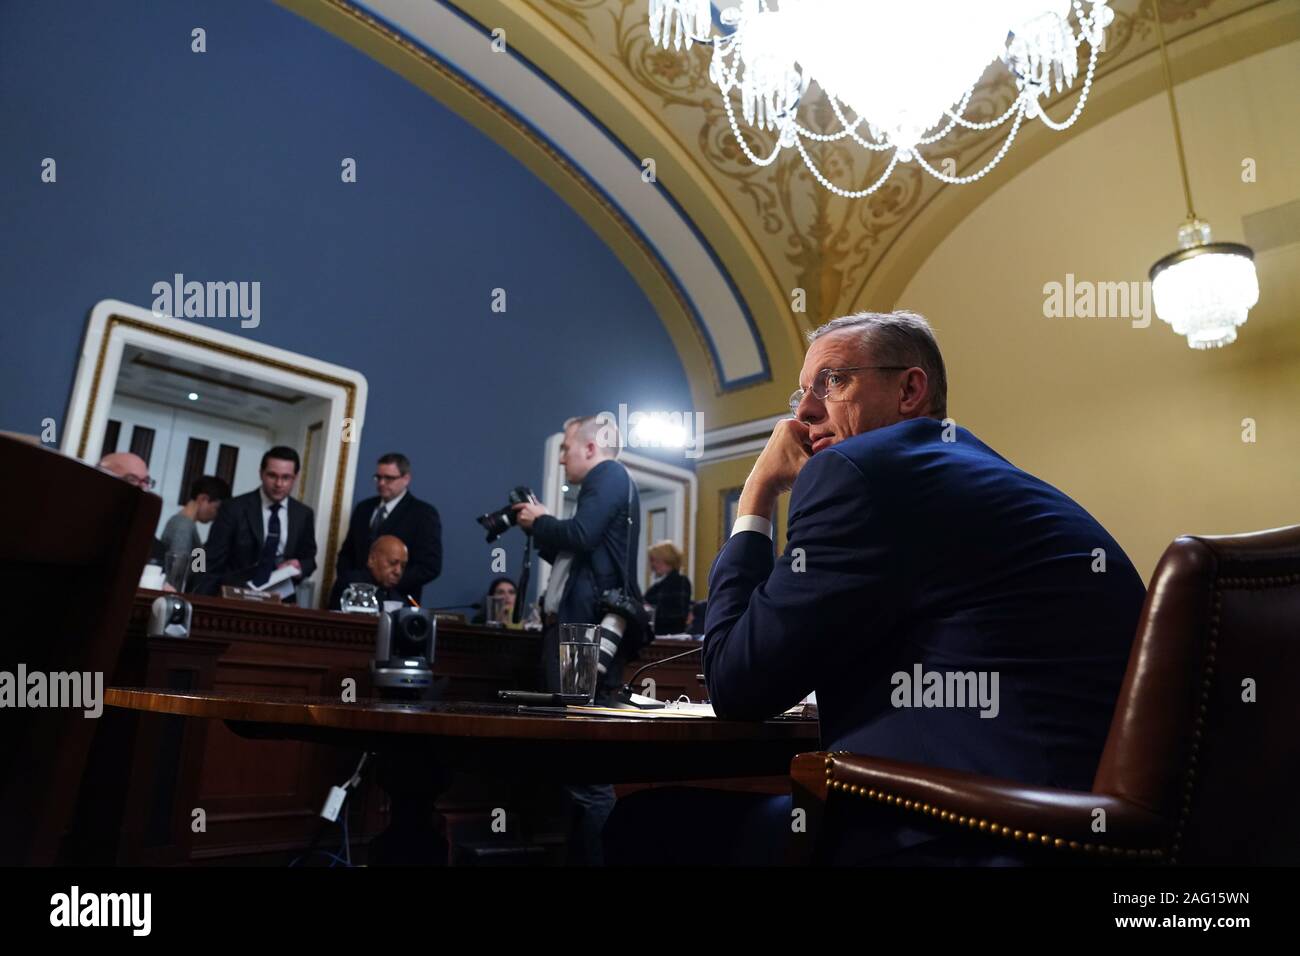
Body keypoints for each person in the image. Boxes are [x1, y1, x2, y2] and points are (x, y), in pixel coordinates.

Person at [606, 310, 1146, 865]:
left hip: (968, 835)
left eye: (834, 381)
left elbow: (737, 685)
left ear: (911, 389)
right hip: (1085, 832)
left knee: (643, 821)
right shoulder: (977, 473)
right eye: (801, 394)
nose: (806, 411)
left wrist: (756, 496)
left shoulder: (857, 472)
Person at [512, 414, 644, 866]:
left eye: (567, 447)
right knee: (575, 754)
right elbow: (581, 551)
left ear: (591, 449)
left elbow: (582, 534)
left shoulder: (608, 474)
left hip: (584, 633)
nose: (564, 456)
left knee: (583, 766)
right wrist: (539, 527)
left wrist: (541, 520)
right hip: (581, 630)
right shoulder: (603, 484)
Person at [197, 446, 317, 601]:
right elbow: (209, 559)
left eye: (286, 477)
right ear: (261, 473)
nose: (279, 484)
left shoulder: (304, 514)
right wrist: (200, 601)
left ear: (295, 477)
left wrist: (299, 567)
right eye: (272, 476)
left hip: (281, 600)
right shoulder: (233, 508)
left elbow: (309, 560)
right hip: (234, 596)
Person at [335, 453, 442, 605]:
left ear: (406, 479)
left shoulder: (423, 514)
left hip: (396, 601)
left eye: (389, 478)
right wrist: (351, 580)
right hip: (354, 598)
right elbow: (347, 553)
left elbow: (430, 566)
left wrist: (387, 581)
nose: (382, 483)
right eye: (378, 477)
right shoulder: (363, 509)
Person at [327, 535, 413, 609]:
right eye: (392, 563)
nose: (398, 571)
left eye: (403, 566)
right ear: (372, 560)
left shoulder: (398, 599)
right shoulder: (350, 584)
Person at [160, 474, 231, 566]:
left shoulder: (183, 523)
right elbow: (178, 570)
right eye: (216, 508)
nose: (216, 515)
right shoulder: (184, 526)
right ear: (203, 499)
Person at [644, 540, 691, 635]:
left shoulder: (680, 581)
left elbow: (679, 615)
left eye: (654, 560)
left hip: (671, 639)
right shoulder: (656, 586)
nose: (652, 565)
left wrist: (650, 611)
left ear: (667, 559)